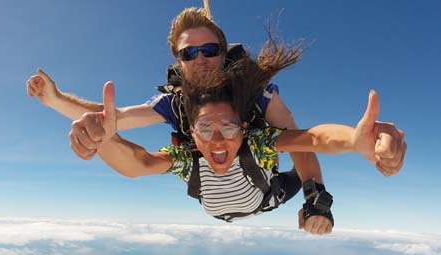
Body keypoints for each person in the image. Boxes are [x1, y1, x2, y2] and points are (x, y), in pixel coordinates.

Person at [27, 8, 333, 234]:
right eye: (189, 53)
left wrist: (314, 198)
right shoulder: (174, 103)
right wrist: (57, 101)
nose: (200, 59)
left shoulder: (258, 95)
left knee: (287, 160)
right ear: (179, 62)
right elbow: (113, 119)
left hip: (266, 193)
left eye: (210, 50)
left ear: (223, 54)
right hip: (212, 195)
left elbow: (300, 140)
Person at [62, 40, 405, 225]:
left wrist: (352, 141)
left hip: (267, 197)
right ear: (191, 133)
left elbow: (311, 139)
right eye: (204, 128)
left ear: (244, 129)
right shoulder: (187, 157)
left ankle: (314, 196)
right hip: (235, 202)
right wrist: (106, 139)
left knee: (299, 173)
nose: (216, 140)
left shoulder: (259, 144)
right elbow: (139, 162)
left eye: (227, 127)